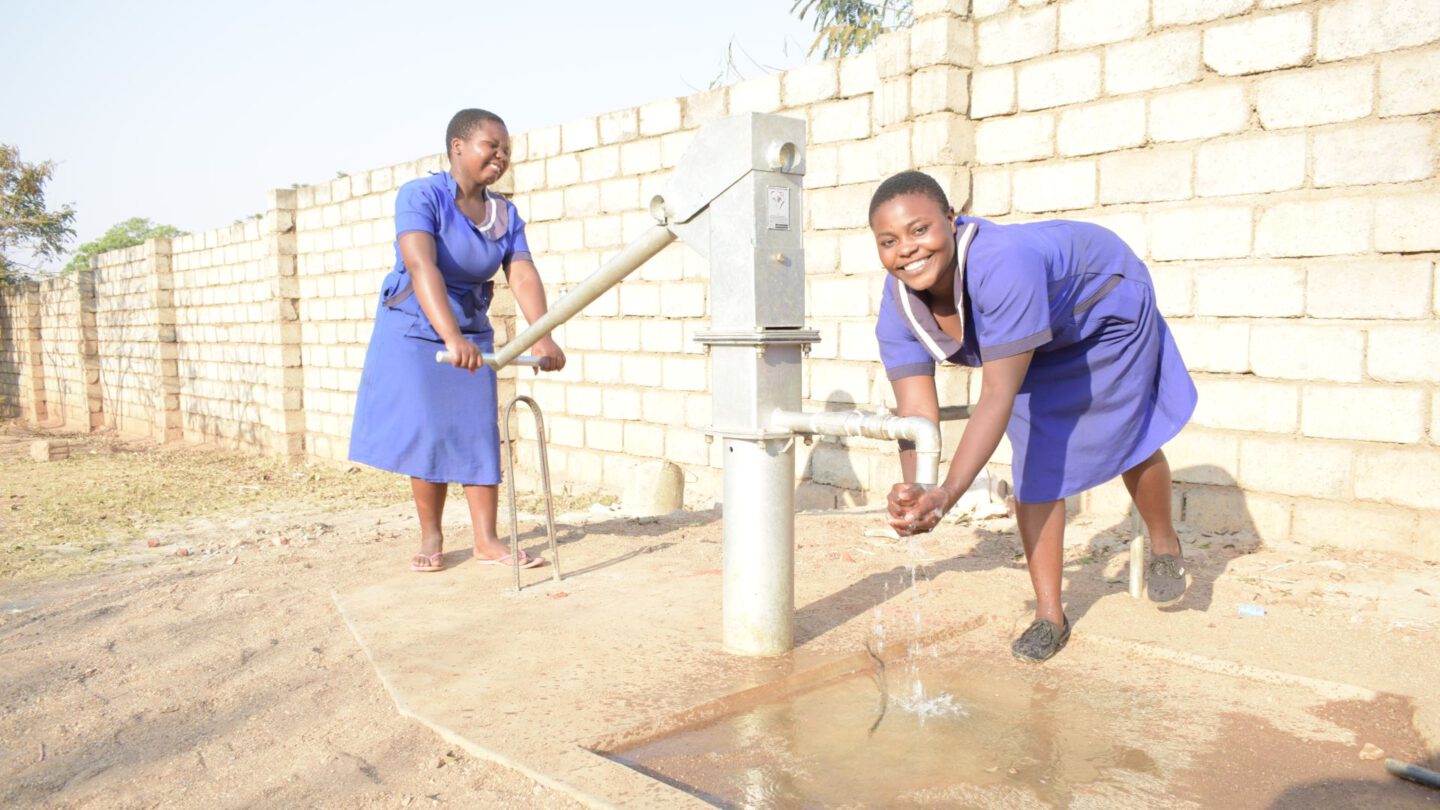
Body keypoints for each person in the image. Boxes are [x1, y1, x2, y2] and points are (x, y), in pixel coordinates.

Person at [870, 171, 1197, 662]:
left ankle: (1165, 544)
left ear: (952, 220)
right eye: (889, 241)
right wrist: (919, 491)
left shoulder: (1002, 263)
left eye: (920, 229)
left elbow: (997, 394)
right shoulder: (898, 304)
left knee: (1125, 433)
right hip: (1034, 333)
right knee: (1037, 464)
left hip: (1103, 307)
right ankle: (1050, 616)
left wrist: (948, 495)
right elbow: (916, 414)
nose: (907, 249)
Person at [349, 108, 566, 573]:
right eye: (492, 145)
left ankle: (487, 540)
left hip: (470, 328)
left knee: (477, 430)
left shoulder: (503, 213)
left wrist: (542, 335)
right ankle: (432, 535)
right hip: (415, 329)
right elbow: (420, 264)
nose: (501, 156)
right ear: (458, 147)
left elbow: (522, 273)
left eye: (506, 149)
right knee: (429, 430)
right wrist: (450, 336)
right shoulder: (421, 195)